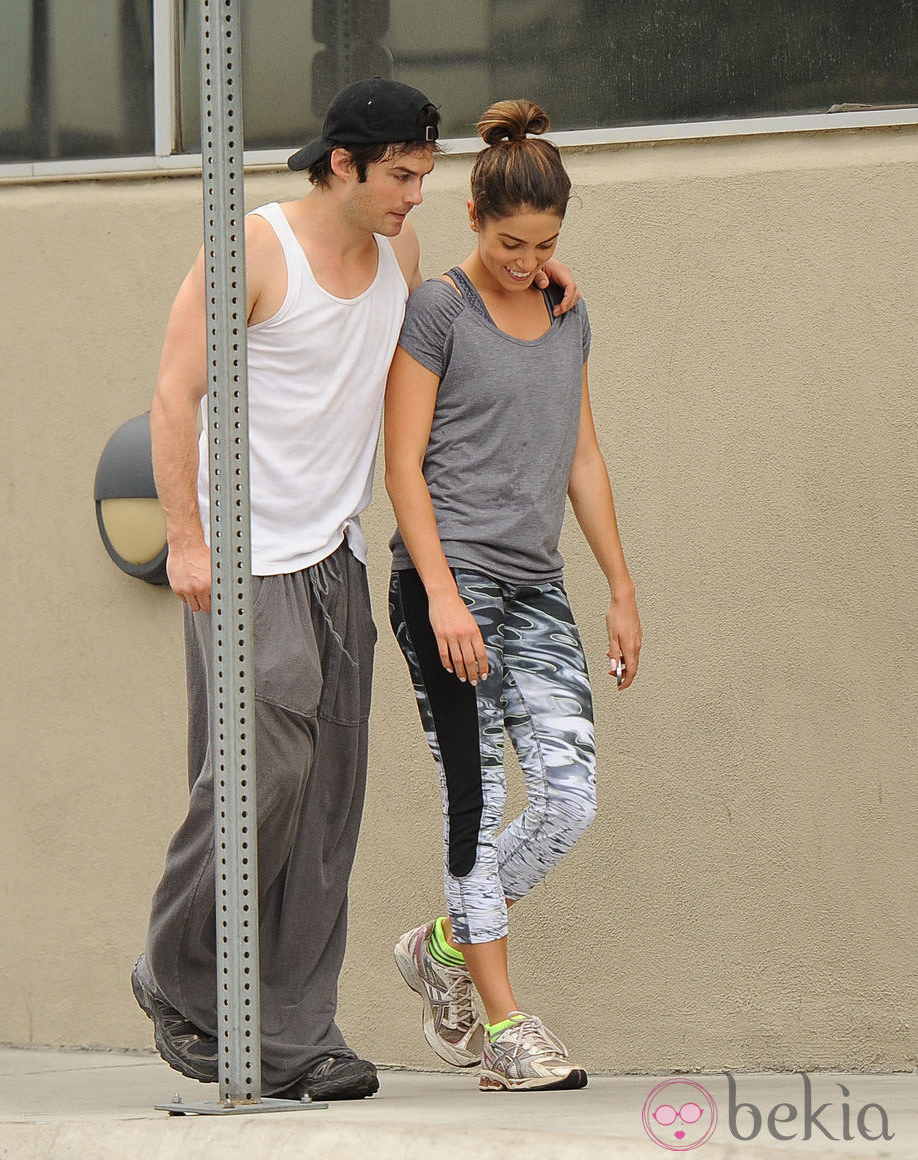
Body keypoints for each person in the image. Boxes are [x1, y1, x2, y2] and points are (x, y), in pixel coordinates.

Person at [131, 77, 580, 1102]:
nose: (417, 194)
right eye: (403, 175)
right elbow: (171, 390)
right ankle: (181, 967)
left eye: (424, 176)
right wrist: (185, 540)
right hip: (246, 555)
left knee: (330, 799)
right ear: (343, 163)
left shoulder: (400, 257)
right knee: (265, 773)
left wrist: (544, 280)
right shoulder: (253, 247)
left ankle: (294, 1030)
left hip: (333, 551)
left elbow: (450, 332)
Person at [385, 99, 643, 1093]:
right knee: (476, 802)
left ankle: (438, 945)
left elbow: (580, 455)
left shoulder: (567, 312)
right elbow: (402, 464)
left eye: (542, 244)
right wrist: (443, 597)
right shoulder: (439, 310)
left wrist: (619, 586)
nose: (525, 262)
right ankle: (503, 1026)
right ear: (472, 220)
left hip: (535, 587)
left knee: (568, 798)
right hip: (443, 585)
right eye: (508, 241)